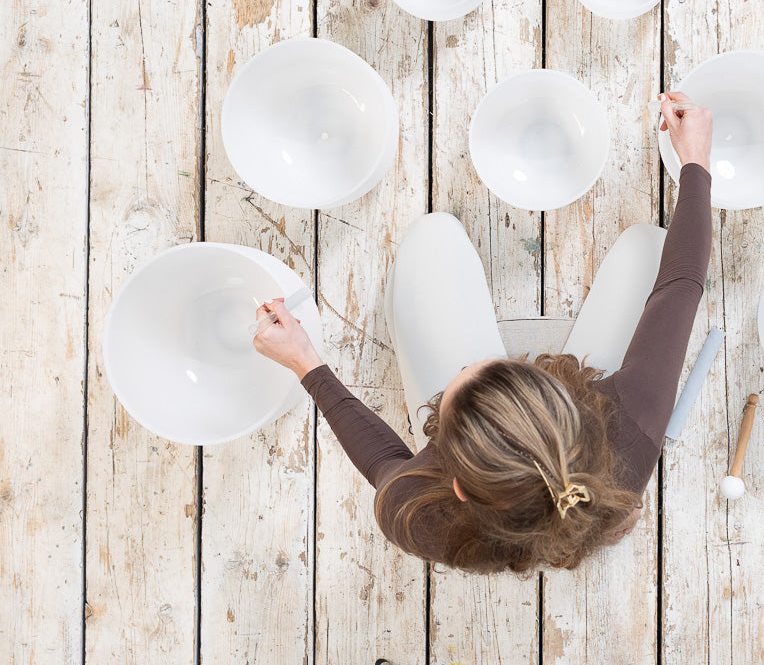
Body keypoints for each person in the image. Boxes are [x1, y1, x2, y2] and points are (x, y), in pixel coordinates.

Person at [253, 92, 713, 574]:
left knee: (431, 236)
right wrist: (695, 162)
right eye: (499, 370)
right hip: (602, 489)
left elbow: (387, 462)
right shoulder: (630, 430)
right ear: (559, 398)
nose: (480, 361)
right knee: (651, 246)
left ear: (458, 486)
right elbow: (680, 286)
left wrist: (306, 363)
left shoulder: (421, 518)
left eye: (455, 389)